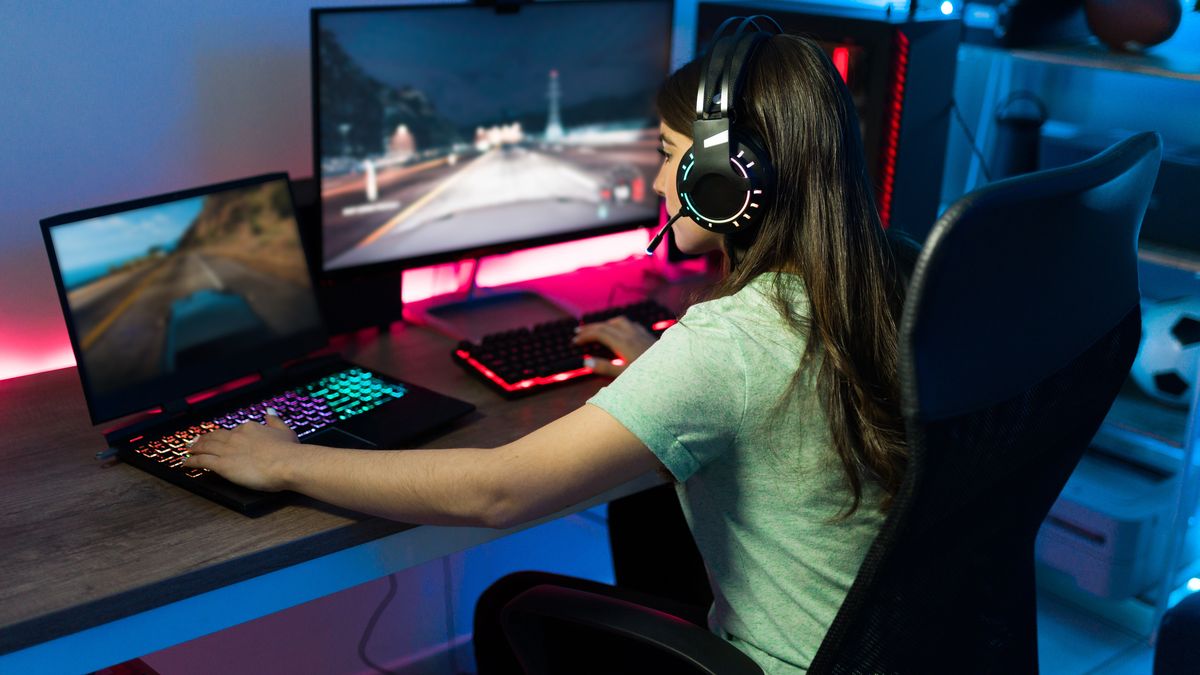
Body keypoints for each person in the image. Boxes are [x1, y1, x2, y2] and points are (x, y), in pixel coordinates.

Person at [183, 30, 909, 674]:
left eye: (668, 155)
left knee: (511, 602)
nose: (659, 182)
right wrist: (660, 371)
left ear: (728, 180)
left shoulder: (731, 343)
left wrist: (284, 460)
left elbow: (496, 490)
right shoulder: (892, 278)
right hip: (891, 649)